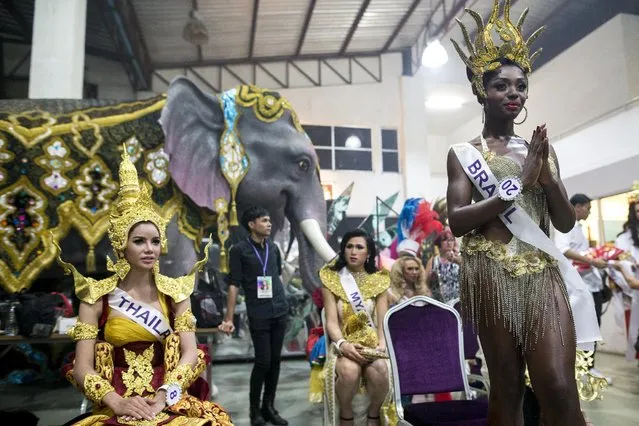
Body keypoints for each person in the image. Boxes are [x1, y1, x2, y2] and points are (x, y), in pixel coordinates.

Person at [446, 1, 600, 424]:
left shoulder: (539, 152)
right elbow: (457, 221)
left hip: (541, 272)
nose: (513, 94)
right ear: (482, 90)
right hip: (490, 273)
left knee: (556, 383)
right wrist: (518, 184)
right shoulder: (464, 154)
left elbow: (566, 222)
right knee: (508, 387)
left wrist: (545, 177)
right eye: (501, 86)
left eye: (520, 86)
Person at [54, 150, 232, 425]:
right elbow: (82, 368)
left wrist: (164, 395)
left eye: (155, 241)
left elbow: (190, 354)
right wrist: (116, 401)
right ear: (122, 245)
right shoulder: (96, 298)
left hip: (166, 402)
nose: (150, 249)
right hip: (116, 404)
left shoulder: (176, 294)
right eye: (139, 241)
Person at [218, 206, 289, 426]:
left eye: (269, 221)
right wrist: (229, 318)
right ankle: (254, 411)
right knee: (263, 362)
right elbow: (234, 285)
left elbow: (276, 275)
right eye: (264, 220)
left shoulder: (274, 249)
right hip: (258, 312)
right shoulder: (239, 250)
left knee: (275, 361)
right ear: (252, 224)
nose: (269, 224)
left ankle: (269, 407)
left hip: (279, 309)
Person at [320, 229, 395, 426]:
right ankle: (346, 415)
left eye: (359, 247)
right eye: (349, 246)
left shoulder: (379, 280)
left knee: (379, 370)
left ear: (368, 253)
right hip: (343, 344)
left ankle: (373, 415)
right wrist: (343, 344)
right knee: (349, 371)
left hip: (371, 345)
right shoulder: (331, 278)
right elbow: (331, 322)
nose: (353, 251)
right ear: (343, 250)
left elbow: (382, 321)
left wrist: (380, 347)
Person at [554, 193, 611, 381]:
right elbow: (563, 250)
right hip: (576, 286)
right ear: (577, 207)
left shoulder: (579, 228)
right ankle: (581, 366)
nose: (589, 212)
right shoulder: (565, 225)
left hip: (589, 284)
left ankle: (588, 366)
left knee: (592, 326)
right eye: (588, 208)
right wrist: (591, 260)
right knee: (580, 326)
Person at [424, 227, 462, 304]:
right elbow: (425, 282)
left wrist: (456, 260)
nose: (449, 242)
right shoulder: (433, 261)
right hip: (439, 303)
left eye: (451, 240)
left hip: (458, 301)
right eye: (445, 240)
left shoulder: (459, 257)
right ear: (439, 243)